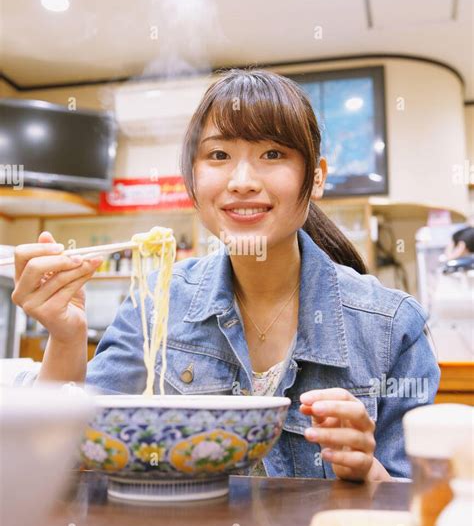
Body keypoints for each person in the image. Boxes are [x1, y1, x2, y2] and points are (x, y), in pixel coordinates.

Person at [12, 69, 440, 482]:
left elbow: (417, 507)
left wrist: (368, 471)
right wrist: (66, 338)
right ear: (192, 180)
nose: (241, 181)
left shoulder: (390, 326)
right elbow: (63, 457)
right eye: (219, 155)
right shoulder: (157, 300)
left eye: (273, 154)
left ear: (317, 175)